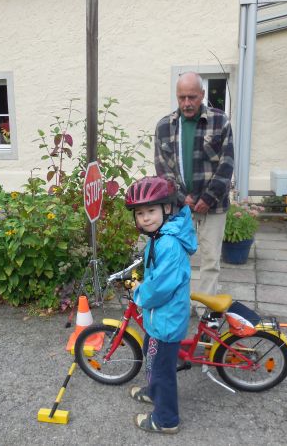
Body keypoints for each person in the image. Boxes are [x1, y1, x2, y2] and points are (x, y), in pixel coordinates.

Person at [154, 71, 234, 306]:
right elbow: (161, 169)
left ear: (202, 94)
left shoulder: (221, 121)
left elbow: (227, 165)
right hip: (180, 208)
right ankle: (182, 307)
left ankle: (205, 313)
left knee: (210, 261)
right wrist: (180, 197)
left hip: (214, 206)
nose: (187, 103)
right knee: (178, 259)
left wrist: (208, 198)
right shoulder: (164, 127)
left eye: (192, 97)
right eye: (181, 98)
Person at [125, 176, 197, 434]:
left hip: (165, 321)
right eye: (140, 213)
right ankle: (153, 390)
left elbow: (161, 287)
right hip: (161, 318)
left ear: (167, 209)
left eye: (151, 211)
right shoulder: (160, 236)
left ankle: (166, 419)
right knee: (150, 353)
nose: (145, 218)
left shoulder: (168, 243)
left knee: (161, 369)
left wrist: (139, 294)